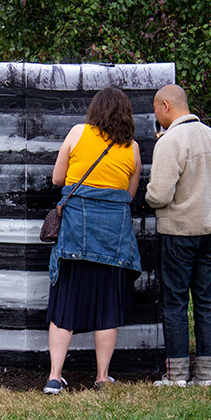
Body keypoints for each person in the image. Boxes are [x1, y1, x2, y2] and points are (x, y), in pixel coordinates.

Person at [43, 87, 142, 394]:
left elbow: (58, 179)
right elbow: (129, 194)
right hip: (113, 241)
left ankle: (55, 377)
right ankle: (101, 377)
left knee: (64, 307)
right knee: (107, 308)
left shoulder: (77, 133)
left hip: (75, 237)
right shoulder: (133, 148)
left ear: (95, 110)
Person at [145, 84, 211, 387]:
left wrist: (147, 196)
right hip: (210, 231)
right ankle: (207, 377)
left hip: (179, 231)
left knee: (175, 303)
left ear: (166, 105)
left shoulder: (171, 141)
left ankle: (177, 375)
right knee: (207, 302)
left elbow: (159, 194)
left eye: (155, 109)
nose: (155, 115)